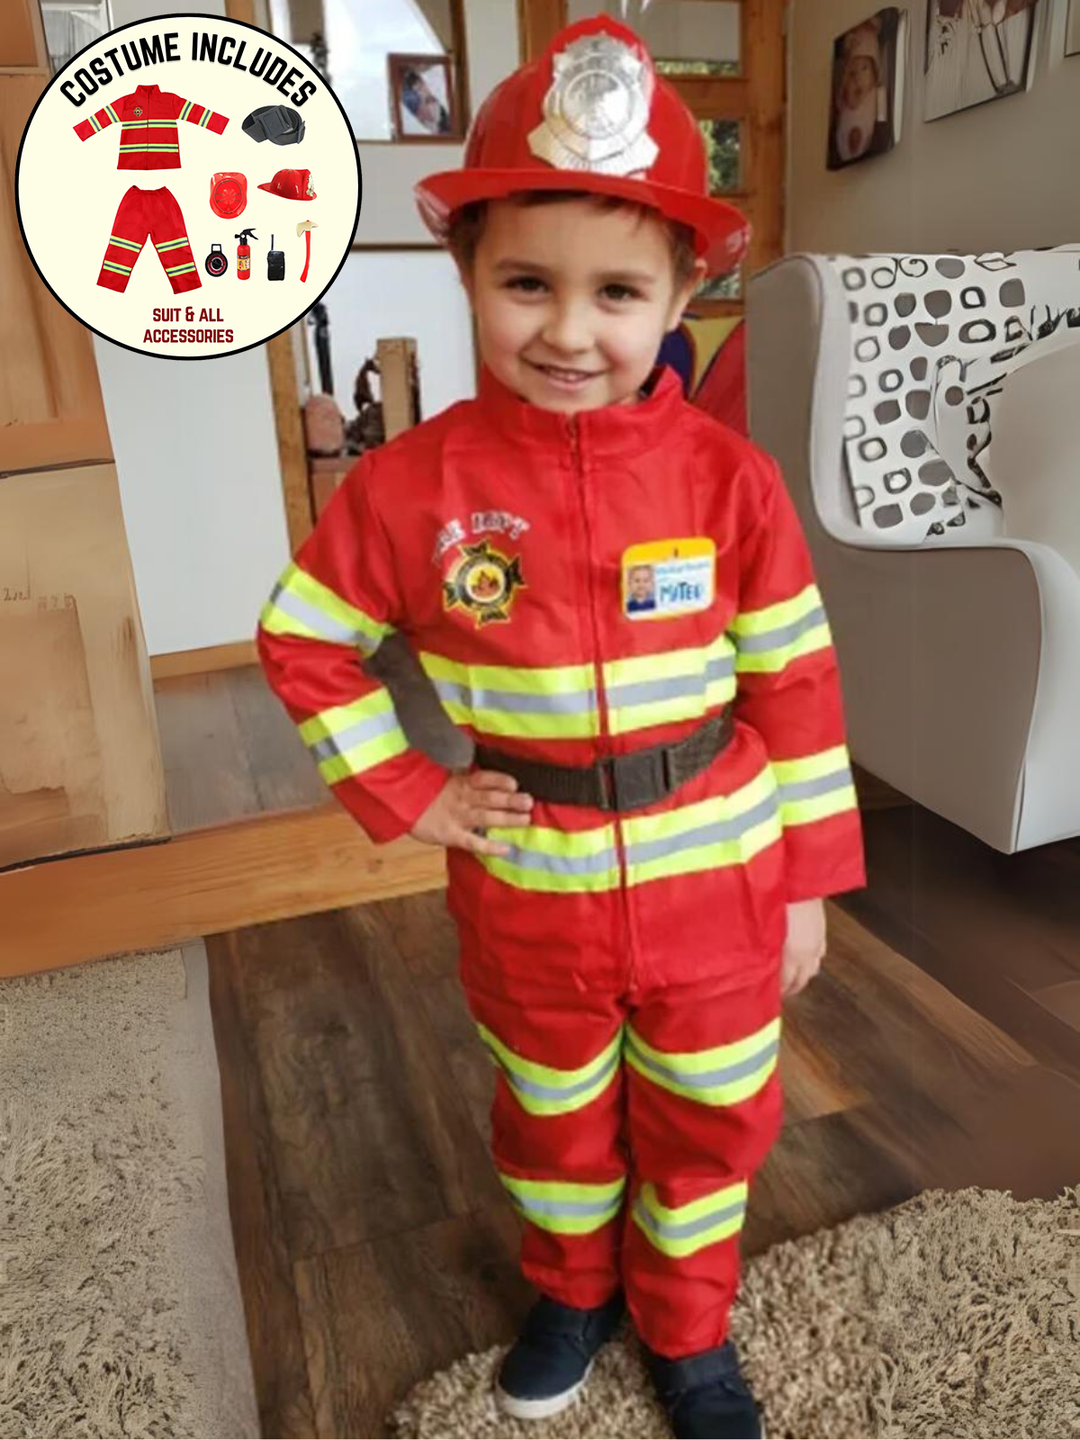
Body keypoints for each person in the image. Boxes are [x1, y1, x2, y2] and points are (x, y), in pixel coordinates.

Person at [258, 15, 866, 1438]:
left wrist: (809, 885)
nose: (571, 330)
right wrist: (411, 791)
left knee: (713, 1117)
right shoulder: (408, 488)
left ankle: (690, 1328)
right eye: (527, 283)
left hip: (721, 879)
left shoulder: (731, 482)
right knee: (552, 1118)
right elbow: (304, 640)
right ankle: (572, 1289)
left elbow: (795, 683)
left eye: (618, 292)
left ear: (682, 293)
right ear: (468, 270)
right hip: (532, 889)